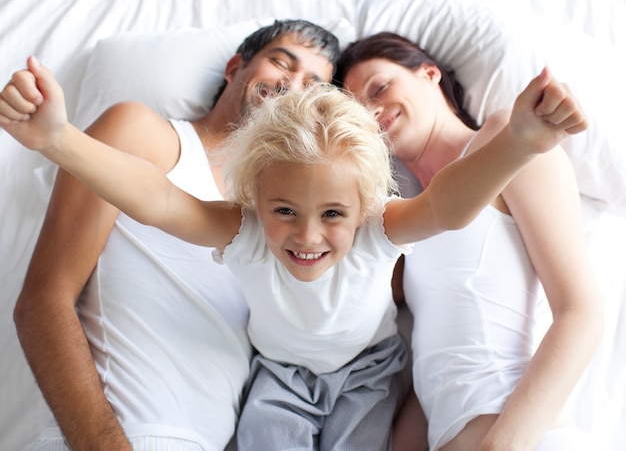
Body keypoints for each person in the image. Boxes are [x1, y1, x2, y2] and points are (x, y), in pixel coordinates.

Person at [1, 55, 587, 451]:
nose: (307, 237)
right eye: (285, 211)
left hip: (370, 376)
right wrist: (60, 140)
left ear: (362, 205)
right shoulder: (243, 228)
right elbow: (155, 196)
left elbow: (449, 206)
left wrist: (517, 143)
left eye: (332, 215)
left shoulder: (377, 226)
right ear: (255, 197)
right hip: (279, 377)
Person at [9, 20, 341, 451]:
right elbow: (42, 302)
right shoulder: (145, 134)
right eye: (281, 62)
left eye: (312, 85)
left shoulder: (283, 217)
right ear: (235, 67)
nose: (291, 85)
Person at [334, 32, 604, 451]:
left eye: (380, 88)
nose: (373, 111)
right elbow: (436, 361)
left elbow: (581, 311)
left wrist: (500, 447)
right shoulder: (407, 218)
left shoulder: (506, 137)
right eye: (358, 111)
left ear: (429, 74)